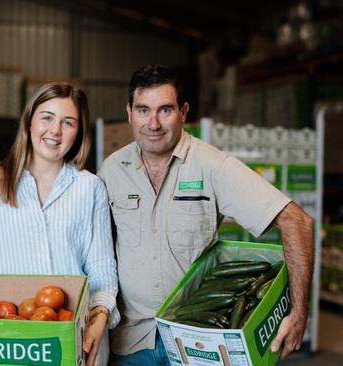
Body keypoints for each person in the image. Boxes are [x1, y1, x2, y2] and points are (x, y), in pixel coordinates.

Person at [98, 65, 314, 365]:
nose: (153, 123)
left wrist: (298, 313)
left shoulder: (212, 166)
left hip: (197, 342)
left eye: (165, 110)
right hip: (131, 343)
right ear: (129, 113)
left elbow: (297, 221)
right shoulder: (111, 171)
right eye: (143, 110)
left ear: (183, 112)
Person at [0, 82, 118, 366]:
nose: (55, 131)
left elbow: (102, 268)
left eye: (68, 122)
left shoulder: (91, 189)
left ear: (79, 132)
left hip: (73, 336)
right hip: (10, 338)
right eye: (47, 118)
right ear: (29, 121)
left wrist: (100, 318)